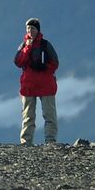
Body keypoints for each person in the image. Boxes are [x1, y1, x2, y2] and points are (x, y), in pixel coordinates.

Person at [14, 17, 59, 145]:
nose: (30, 30)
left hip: (45, 84)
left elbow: (55, 63)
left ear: (37, 30)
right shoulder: (23, 45)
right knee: (28, 116)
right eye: (28, 28)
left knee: (49, 115)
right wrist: (27, 49)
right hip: (29, 85)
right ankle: (26, 142)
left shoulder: (45, 45)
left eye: (32, 28)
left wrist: (44, 67)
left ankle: (50, 141)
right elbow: (18, 61)